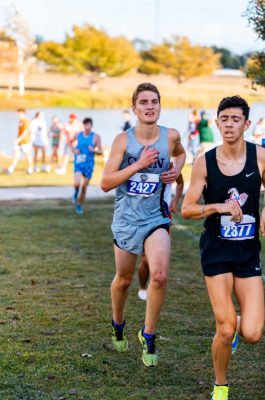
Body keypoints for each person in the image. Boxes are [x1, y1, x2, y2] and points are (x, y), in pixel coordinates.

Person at [181, 96, 265, 400]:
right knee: (226, 329)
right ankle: (220, 384)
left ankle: (234, 320)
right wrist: (219, 206)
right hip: (216, 251)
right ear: (217, 123)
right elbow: (187, 209)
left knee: (253, 333)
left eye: (235, 119)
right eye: (224, 119)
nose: (229, 125)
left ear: (246, 124)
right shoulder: (205, 161)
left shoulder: (260, 157)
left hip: (247, 254)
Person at [101, 82, 186, 367]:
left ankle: (148, 335)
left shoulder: (171, 136)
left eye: (155, 101)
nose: (150, 106)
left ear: (160, 106)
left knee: (159, 274)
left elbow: (181, 153)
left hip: (155, 217)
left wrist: (176, 171)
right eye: (144, 102)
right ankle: (118, 323)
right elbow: (105, 183)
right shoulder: (123, 141)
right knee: (123, 280)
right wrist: (138, 164)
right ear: (134, 108)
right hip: (126, 220)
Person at [138, 173, 184, 301]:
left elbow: (180, 182)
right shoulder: (141, 164)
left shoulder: (168, 165)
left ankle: (155, 286)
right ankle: (142, 287)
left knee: (156, 262)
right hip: (140, 216)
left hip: (161, 218)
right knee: (145, 260)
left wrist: (175, 201)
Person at [71, 118, 102, 215]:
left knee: (84, 187)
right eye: (85, 125)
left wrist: (94, 151)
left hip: (89, 164)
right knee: (77, 183)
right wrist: (74, 150)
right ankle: (76, 192)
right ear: (83, 125)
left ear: (91, 125)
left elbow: (100, 151)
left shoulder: (96, 137)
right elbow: (69, 143)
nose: (87, 127)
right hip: (79, 162)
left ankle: (79, 205)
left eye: (89, 125)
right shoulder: (78, 135)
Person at [7, 108, 33, 175]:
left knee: (27, 155)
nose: (17, 114)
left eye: (18, 113)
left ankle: (30, 169)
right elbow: (20, 132)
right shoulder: (20, 121)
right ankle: (11, 168)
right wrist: (17, 139)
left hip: (25, 141)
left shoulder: (26, 121)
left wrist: (19, 139)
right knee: (16, 155)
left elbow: (26, 132)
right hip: (19, 142)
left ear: (22, 113)